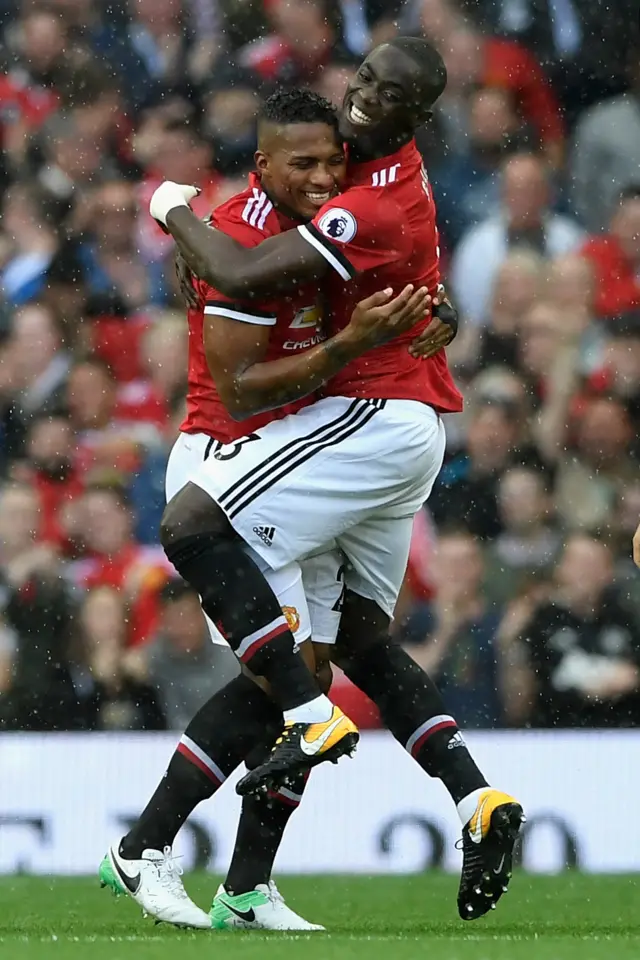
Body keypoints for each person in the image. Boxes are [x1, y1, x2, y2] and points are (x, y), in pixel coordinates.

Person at [149, 37, 522, 922]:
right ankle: (470, 798)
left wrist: (173, 211)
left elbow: (239, 273)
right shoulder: (337, 173)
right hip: (358, 424)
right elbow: (242, 259)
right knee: (347, 640)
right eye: (362, 79)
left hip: (354, 421)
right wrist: (207, 242)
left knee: (243, 606)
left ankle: (145, 844)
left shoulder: (365, 203)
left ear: (419, 116)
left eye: (387, 94)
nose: (359, 104)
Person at [102, 88, 435, 932]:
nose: (325, 177)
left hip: (302, 455)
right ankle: (145, 846)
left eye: (333, 161)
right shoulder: (241, 241)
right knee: (288, 683)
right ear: (264, 167)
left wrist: (439, 313)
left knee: (300, 672)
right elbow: (243, 389)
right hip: (233, 455)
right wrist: (176, 212)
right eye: (304, 165)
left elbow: (398, 269)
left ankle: (245, 888)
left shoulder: (324, 221)